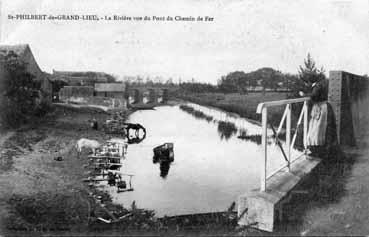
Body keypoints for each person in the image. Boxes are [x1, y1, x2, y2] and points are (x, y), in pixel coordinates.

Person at [303, 78, 338, 159]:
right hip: (323, 107)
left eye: (307, 82)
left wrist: (303, 95)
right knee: (320, 129)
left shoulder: (317, 86)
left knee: (317, 129)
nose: (307, 84)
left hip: (321, 108)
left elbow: (314, 96)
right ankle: (321, 150)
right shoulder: (320, 85)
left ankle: (317, 151)